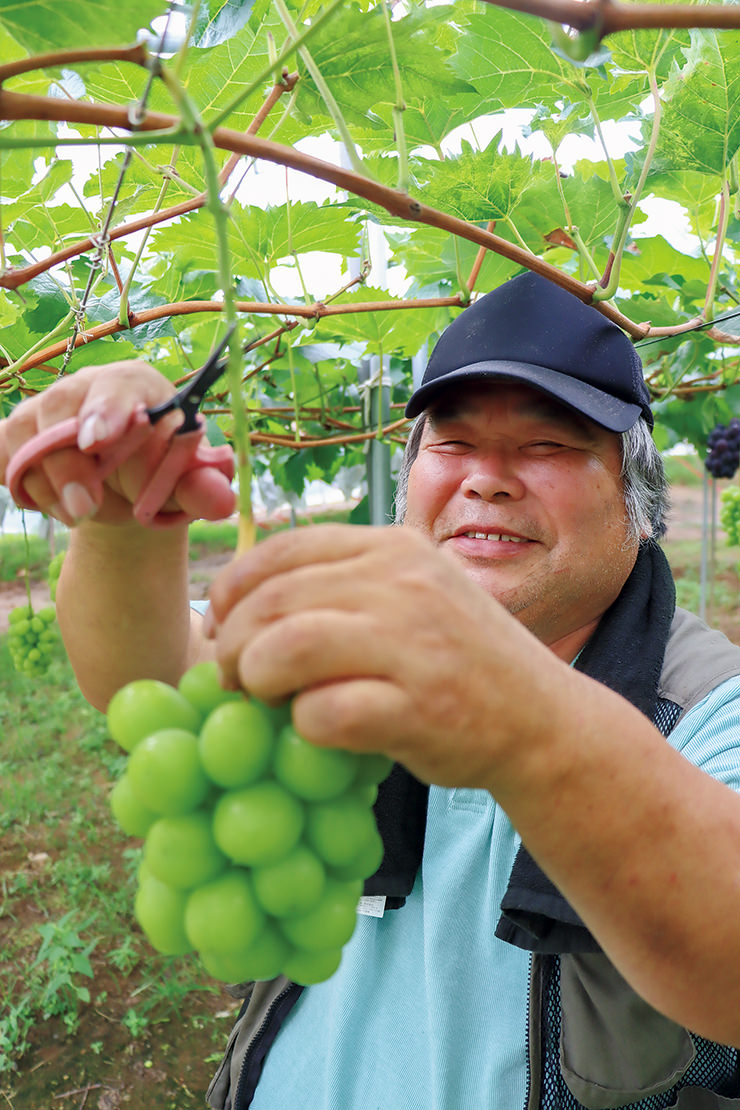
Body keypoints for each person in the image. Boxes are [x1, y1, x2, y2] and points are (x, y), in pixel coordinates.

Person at [3, 271, 740, 1110]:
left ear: (636, 503)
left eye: (549, 446)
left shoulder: (709, 704)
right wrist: (116, 514)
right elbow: (149, 672)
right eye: (452, 445)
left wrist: (522, 718)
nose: (487, 479)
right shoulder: (347, 633)